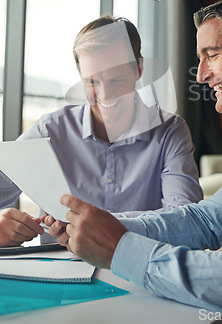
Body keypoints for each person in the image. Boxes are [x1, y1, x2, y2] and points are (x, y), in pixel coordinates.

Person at [46, 0, 222, 321]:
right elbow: (206, 220)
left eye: (211, 55)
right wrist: (107, 227)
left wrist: (119, 249)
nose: (200, 75)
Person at [0, 16, 202, 246]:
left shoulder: (169, 132)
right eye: (92, 81)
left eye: (116, 79)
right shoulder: (50, 130)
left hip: (138, 273)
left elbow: (187, 222)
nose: (105, 95)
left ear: (138, 69)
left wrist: (95, 224)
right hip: (60, 273)